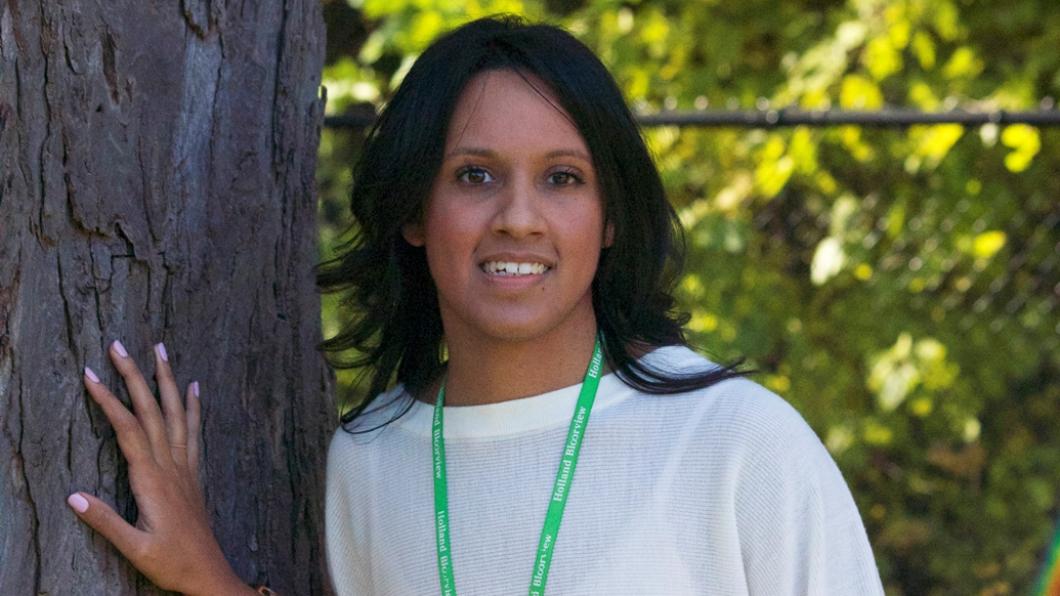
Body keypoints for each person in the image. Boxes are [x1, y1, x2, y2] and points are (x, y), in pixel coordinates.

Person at [68, 16, 885, 596]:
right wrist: (208, 577)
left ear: (610, 221)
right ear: (416, 212)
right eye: (475, 175)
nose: (519, 216)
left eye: (563, 178)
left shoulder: (738, 442)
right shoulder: (370, 460)